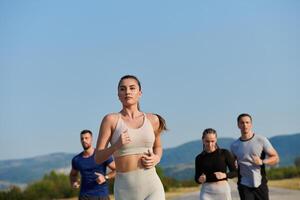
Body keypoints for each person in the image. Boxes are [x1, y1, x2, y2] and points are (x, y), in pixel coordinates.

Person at [94, 75, 167, 200]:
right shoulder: (110, 120)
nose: (127, 92)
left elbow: (158, 146)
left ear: (140, 93)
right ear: (118, 95)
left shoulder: (153, 120)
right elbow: (98, 158)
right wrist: (116, 146)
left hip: (152, 185)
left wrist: (156, 158)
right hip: (124, 190)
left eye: (132, 88)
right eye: (123, 89)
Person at [230, 113, 280, 200]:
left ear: (251, 124)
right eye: (242, 123)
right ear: (238, 125)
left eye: (247, 122)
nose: (245, 125)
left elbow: (276, 158)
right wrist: (234, 165)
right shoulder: (234, 145)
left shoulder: (261, 140)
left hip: (260, 184)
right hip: (244, 185)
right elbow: (232, 165)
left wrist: (262, 161)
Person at [70, 129, 116, 200]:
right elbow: (73, 174)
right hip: (84, 196)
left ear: (91, 139)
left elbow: (117, 170)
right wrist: (74, 182)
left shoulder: (101, 154)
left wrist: (105, 177)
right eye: (82, 139)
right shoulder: (76, 159)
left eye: (86, 138)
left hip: (101, 195)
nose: (84, 140)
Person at [194, 128, 237, 200]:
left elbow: (235, 172)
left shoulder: (224, 153)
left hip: (223, 192)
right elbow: (196, 178)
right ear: (203, 140)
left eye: (212, 141)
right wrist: (200, 179)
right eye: (207, 141)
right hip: (206, 192)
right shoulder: (199, 158)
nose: (210, 144)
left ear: (216, 140)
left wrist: (225, 175)